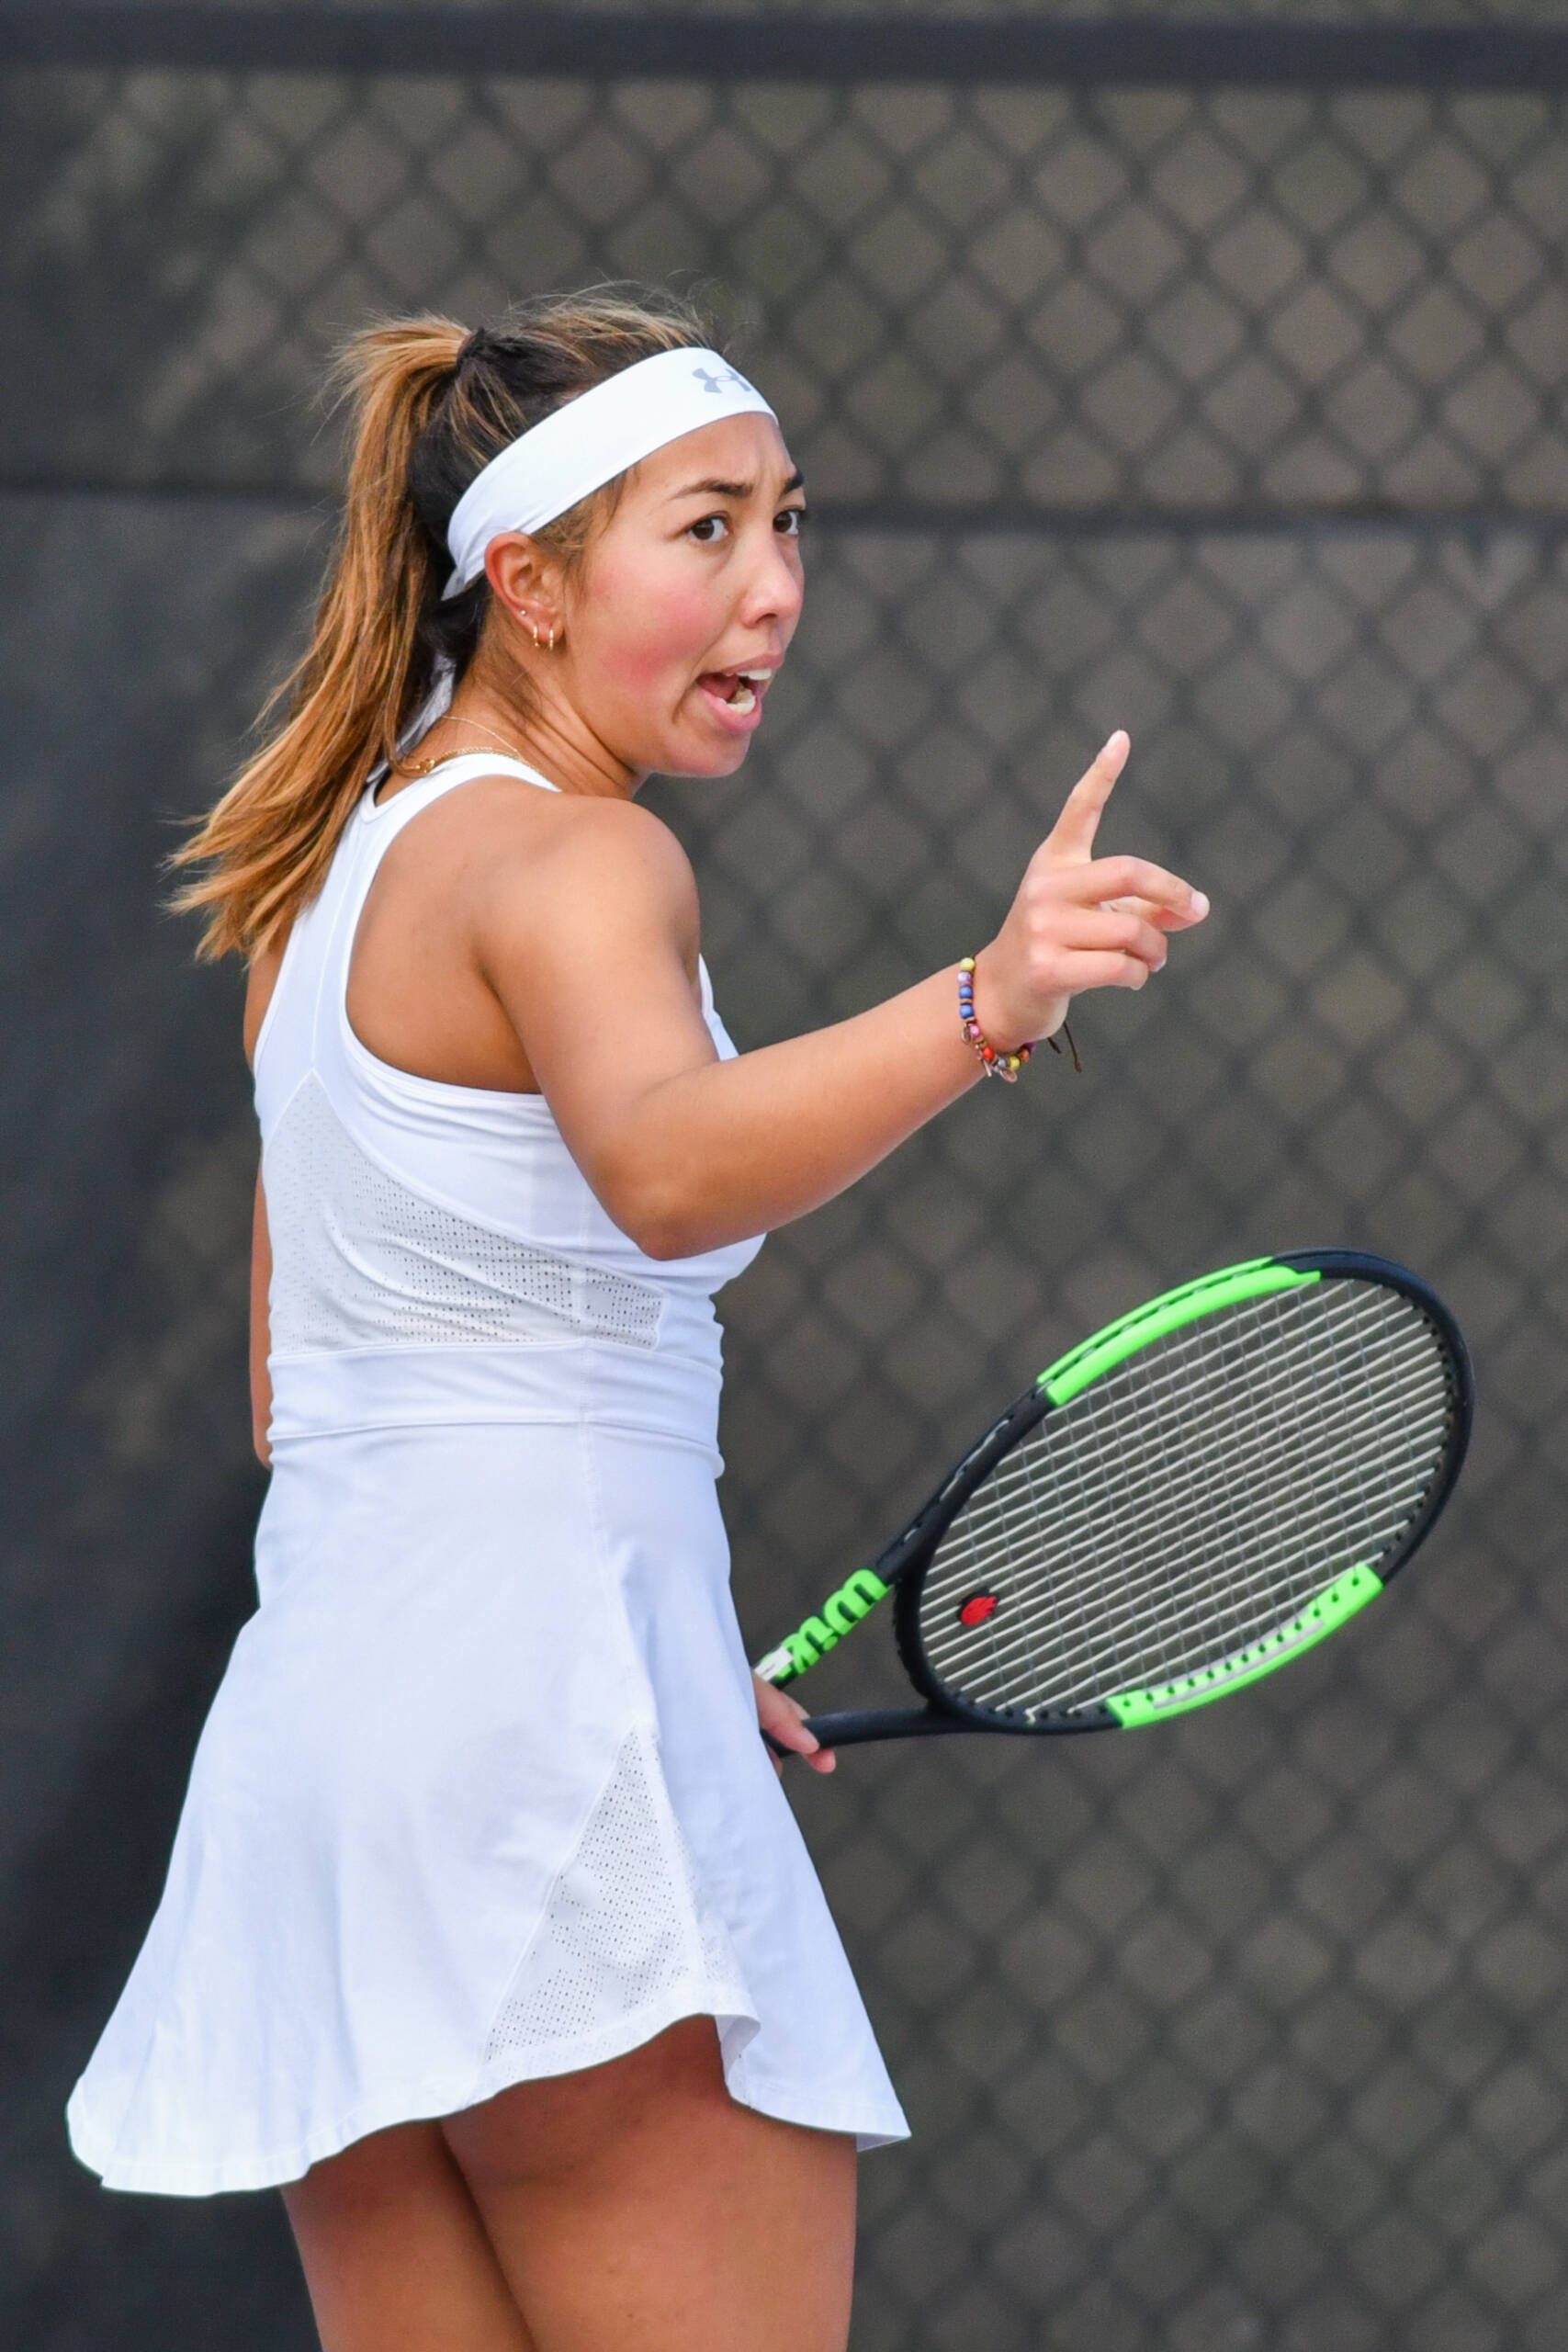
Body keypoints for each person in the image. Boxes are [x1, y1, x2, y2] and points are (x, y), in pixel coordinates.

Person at [66, 287, 1207, 2352]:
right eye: (707, 529)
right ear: (528, 582)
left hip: (331, 1786)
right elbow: (665, 1168)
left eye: (787, 521)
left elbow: (299, 1393)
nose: (774, 586)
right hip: (536, 1761)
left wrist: (657, 1665)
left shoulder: (317, 901)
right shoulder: (585, 861)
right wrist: (991, 999)